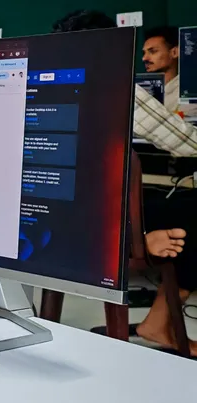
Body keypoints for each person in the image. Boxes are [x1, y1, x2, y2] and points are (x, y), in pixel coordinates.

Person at [53, 10, 197, 353]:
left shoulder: (45, 82)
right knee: (192, 213)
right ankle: (156, 313)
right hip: (105, 219)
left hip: (58, 214)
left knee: (178, 206)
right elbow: (183, 141)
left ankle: (147, 253)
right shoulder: (113, 84)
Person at [142, 26, 182, 113]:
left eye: (153, 51)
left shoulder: (187, 93)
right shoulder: (141, 91)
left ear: (174, 52)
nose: (144, 58)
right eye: (144, 53)